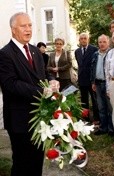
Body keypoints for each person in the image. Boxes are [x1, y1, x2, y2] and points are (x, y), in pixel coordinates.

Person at [0, 12, 59, 176]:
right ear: (13, 30)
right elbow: (11, 84)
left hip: (40, 117)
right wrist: (42, 91)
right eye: (23, 26)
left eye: (30, 25)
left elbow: (44, 74)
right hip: (20, 120)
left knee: (36, 162)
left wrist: (52, 80)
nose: (28, 29)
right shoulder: (5, 54)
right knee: (22, 164)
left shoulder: (35, 51)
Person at [91, 34, 114, 135]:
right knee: (101, 107)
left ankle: (111, 129)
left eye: (104, 42)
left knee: (110, 107)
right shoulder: (95, 54)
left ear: (108, 42)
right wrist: (93, 82)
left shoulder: (111, 53)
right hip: (98, 83)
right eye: (100, 42)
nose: (102, 44)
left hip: (108, 83)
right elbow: (92, 70)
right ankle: (103, 127)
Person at [75, 33, 99, 123]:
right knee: (84, 100)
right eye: (81, 38)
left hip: (91, 79)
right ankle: (86, 118)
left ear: (88, 39)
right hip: (82, 79)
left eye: (85, 38)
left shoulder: (94, 49)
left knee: (94, 100)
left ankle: (96, 119)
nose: (83, 40)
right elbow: (80, 65)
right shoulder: (77, 51)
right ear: (79, 40)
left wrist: (93, 80)